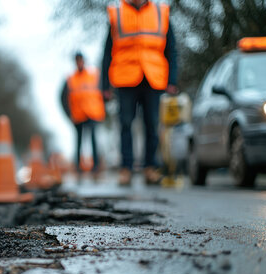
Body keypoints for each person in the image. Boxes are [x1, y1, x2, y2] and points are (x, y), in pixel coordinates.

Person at [101, 0, 178, 186]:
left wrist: (172, 80)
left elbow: (172, 50)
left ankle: (150, 167)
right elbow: (106, 53)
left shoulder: (161, 13)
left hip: (153, 77)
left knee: (152, 123)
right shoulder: (117, 14)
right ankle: (126, 168)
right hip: (125, 78)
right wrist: (105, 85)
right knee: (126, 123)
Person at [61, 52, 106, 179]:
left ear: (84, 61)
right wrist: (69, 114)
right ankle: (78, 167)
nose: (79, 63)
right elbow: (63, 98)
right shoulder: (70, 79)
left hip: (93, 113)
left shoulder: (94, 75)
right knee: (78, 141)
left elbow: (104, 92)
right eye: (77, 61)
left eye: (81, 60)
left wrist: (103, 109)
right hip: (78, 115)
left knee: (94, 139)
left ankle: (96, 166)